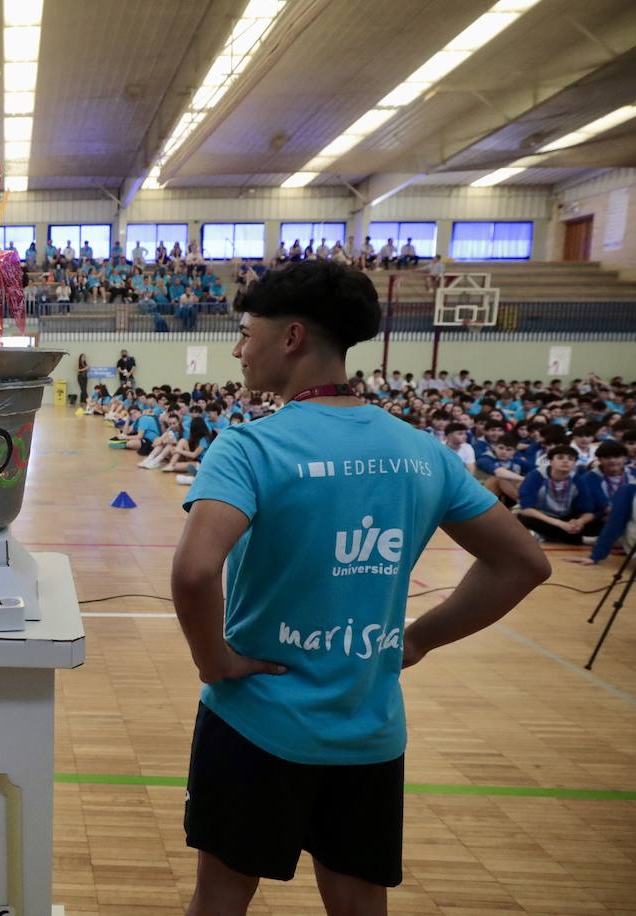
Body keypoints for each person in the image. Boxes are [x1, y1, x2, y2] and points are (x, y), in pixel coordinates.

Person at [169, 258, 549, 915]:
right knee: (358, 903)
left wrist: (214, 660)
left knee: (221, 900)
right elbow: (524, 564)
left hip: (256, 720)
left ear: (291, 338)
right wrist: (419, 640)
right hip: (369, 727)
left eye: (244, 331)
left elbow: (195, 570)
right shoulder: (422, 451)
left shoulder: (251, 448)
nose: (237, 348)